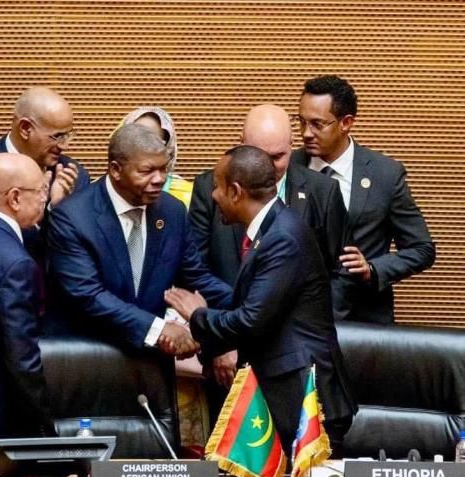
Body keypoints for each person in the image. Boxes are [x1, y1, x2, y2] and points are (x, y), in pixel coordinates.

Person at [166, 145, 357, 458]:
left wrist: (198, 315)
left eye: (217, 186)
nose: (213, 195)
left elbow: (250, 320)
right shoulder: (270, 229)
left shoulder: (282, 237)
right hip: (283, 395)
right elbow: (256, 305)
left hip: (305, 402)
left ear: (236, 191)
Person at [189, 104, 347, 415]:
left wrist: (199, 317)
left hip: (298, 392)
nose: (266, 167)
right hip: (258, 369)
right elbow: (198, 268)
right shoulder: (270, 221)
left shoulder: (284, 233)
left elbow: (256, 315)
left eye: (276, 157)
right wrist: (223, 344)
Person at [46, 123, 232, 358]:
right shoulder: (73, 217)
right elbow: (88, 294)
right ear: (116, 170)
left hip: (151, 361)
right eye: (147, 171)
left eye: (163, 169)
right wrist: (157, 329)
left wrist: (249, 305)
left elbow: (196, 277)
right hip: (90, 359)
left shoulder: (172, 211)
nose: (159, 179)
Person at [296, 75, 436, 324]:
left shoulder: (385, 175)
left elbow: (421, 249)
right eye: (301, 122)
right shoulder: (288, 168)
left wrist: (372, 269)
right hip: (298, 320)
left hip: (364, 320)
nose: (306, 133)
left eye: (317, 124)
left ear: (346, 123)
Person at [0, 153, 55, 444]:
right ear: (15, 198)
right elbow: (22, 360)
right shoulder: (15, 263)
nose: (45, 198)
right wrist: (45, 430)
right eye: (41, 190)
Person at [0, 86, 90, 212]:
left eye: (67, 136)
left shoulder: (73, 178)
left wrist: (56, 208)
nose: (64, 146)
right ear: (25, 128)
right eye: (57, 136)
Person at [112, 106, 193, 208]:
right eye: (136, 140)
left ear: (168, 148)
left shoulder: (187, 198)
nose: (144, 148)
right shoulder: (99, 194)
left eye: (154, 142)